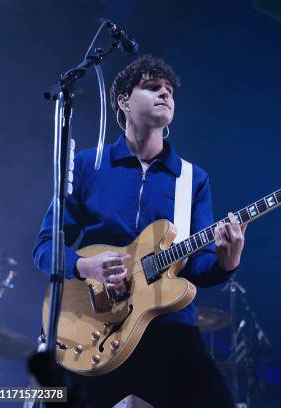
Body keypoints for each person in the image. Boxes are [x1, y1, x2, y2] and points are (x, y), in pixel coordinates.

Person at [33, 55, 245, 407]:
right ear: (123, 101)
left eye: (170, 90)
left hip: (167, 328)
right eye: (152, 87)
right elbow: (44, 248)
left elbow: (197, 269)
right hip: (91, 328)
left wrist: (226, 261)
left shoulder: (192, 179)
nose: (165, 94)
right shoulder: (89, 164)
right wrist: (85, 266)